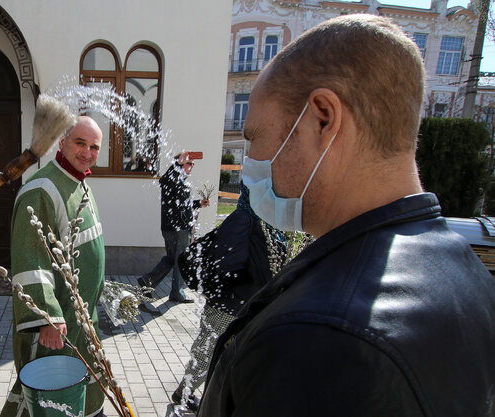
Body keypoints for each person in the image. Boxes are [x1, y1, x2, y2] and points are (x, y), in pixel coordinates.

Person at [199, 15, 495, 416]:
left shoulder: (315, 336)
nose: (251, 161)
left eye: (256, 137)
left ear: (323, 118)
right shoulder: (468, 271)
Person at [1, 116, 106, 417]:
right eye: (80, 143)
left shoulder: (78, 181)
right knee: (50, 401)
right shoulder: (42, 189)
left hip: (82, 317)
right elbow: (29, 258)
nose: (87, 152)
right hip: (56, 326)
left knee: (83, 392)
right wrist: (46, 316)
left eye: (94, 147)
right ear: (62, 141)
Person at [171, 183, 285, 412]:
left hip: (249, 303)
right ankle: (187, 393)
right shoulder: (243, 218)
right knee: (208, 349)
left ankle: (203, 394)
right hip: (229, 303)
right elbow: (226, 263)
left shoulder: (268, 222)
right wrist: (248, 285)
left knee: (227, 353)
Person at [138, 151, 209, 304]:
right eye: (188, 163)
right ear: (180, 164)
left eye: (192, 164)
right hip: (178, 229)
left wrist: (198, 204)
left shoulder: (181, 181)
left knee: (172, 259)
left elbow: (183, 205)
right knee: (181, 261)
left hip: (175, 227)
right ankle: (177, 293)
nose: (191, 166)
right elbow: (164, 180)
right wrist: (177, 163)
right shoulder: (173, 178)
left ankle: (147, 282)